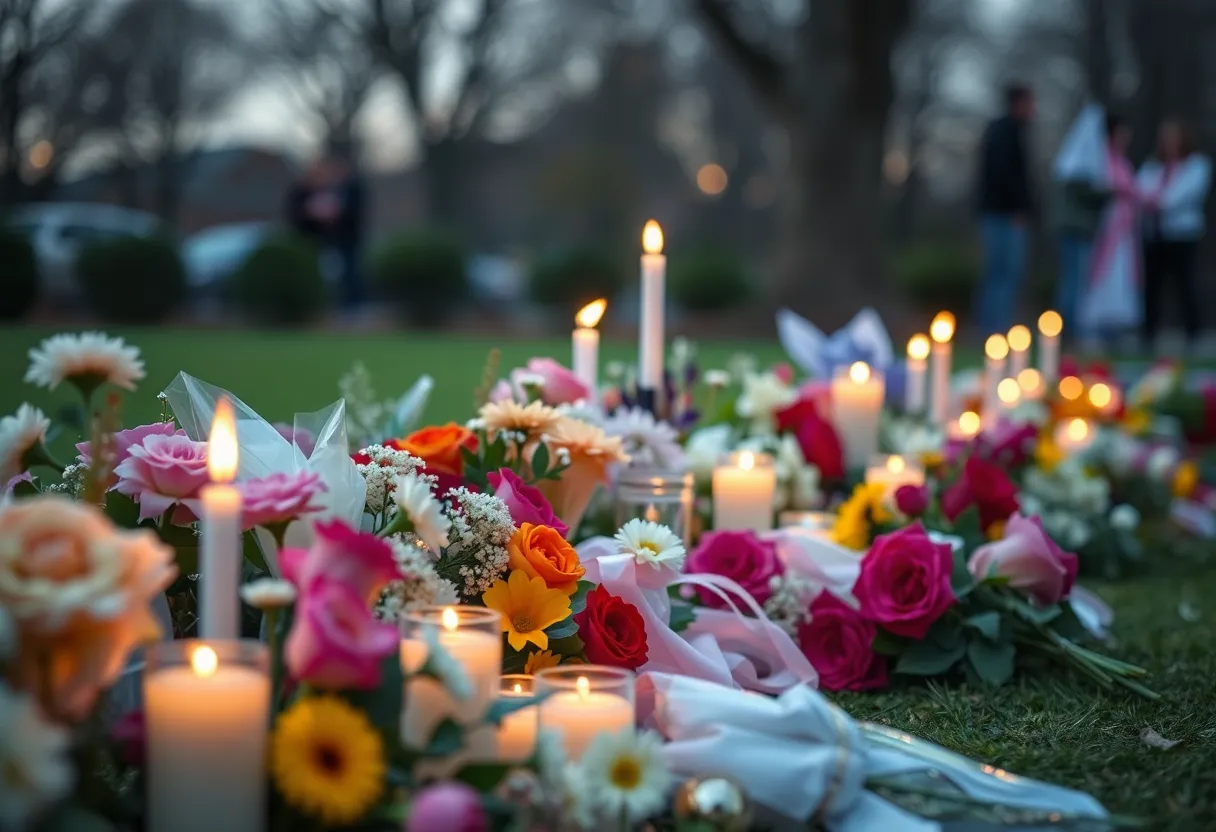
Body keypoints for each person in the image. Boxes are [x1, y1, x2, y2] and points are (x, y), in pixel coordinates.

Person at [1138, 119, 1211, 353]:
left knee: (1184, 284)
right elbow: (1139, 190)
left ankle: (1193, 334)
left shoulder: (1197, 165)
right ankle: (1148, 334)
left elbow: (1184, 195)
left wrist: (1157, 202)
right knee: (1152, 286)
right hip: (1154, 233)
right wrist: (1148, 201)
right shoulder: (1153, 166)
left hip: (1181, 235)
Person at [1076, 111, 1141, 347]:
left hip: (1124, 230)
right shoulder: (1100, 160)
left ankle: (1117, 326)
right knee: (1100, 275)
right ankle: (1093, 326)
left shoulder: (1123, 161)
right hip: (1106, 228)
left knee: (1121, 276)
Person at [976, 83, 1036, 335]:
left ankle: (993, 326)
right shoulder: (1005, 133)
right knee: (1003, 272)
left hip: (999, 213)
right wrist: (1018, 209)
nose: (1033, 109)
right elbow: (1005, 176)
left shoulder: (1008, 131)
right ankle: (993, 328)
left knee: (1000, 272)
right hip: (1004, 216)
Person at [1051, 105, 1111, 339]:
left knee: (1073, 279)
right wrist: (1108, 193)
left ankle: (1065, 328)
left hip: (1074, 229)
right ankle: (1068, 329)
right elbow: (1087, 193)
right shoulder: (1079, 163)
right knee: (1073, 280)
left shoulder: (1071, 161)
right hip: (1076, 229)